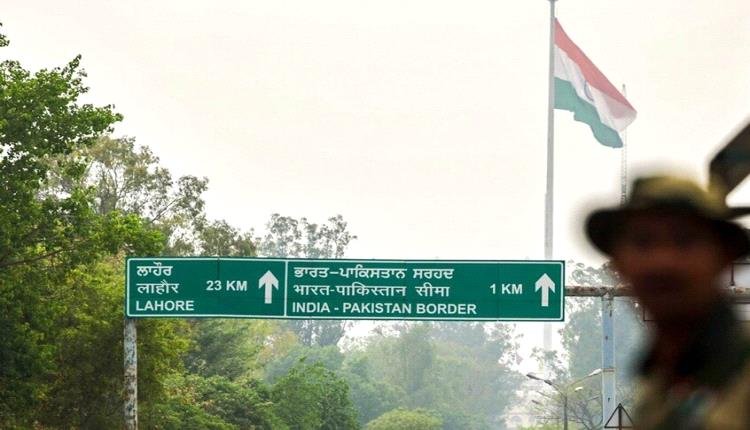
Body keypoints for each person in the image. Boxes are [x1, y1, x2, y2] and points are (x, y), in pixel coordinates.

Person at [585, 175, 750, 429]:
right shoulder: (657, 389)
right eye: (643, 242)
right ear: (618, 266)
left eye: (684, 241)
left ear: (725, 258)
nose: (663, 262)